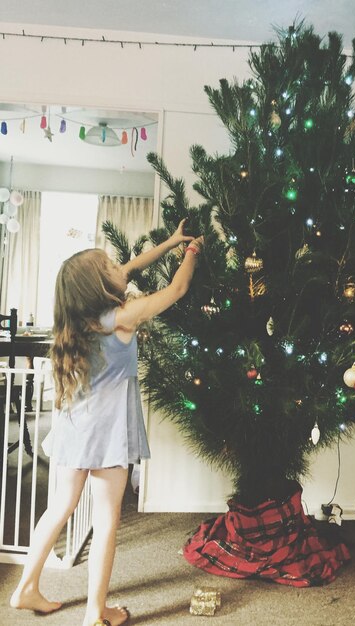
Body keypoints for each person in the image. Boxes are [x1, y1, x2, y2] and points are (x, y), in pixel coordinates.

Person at [10, 220, 203, 626]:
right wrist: (191, 252)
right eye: (112, 265)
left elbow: (130, 268)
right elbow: (176, 291)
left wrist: (169, 242)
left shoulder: (79, 319)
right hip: (107, 434)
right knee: (106, 519)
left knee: (60, 507)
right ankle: (96, 614)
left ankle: (25, 586)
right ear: (100, 285)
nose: (122, 266)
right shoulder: (122, 316)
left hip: (73, 428)